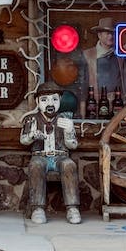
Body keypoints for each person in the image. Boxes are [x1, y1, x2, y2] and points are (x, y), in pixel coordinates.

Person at [20, 82, 81, 224]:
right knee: (35, 167)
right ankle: (38, 208)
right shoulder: (32, 119)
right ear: (37, 102)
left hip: (61, 156)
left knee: (69, 165)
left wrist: (69, 132)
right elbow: (23, 140)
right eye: (44, 100)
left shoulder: (65, 119)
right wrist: (31, 136)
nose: (50, 103)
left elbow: (73, 145)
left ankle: (72, 208)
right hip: (40, 156)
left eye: (54, 99)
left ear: (59, 101)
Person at [82, 17, 126, 113]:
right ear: (99, 35)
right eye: (107, 33)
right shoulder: (88, 55)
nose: (110, 36)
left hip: (120, 105)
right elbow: (83, 85)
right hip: (96, 106)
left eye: (113, 33)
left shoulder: (122, 55)